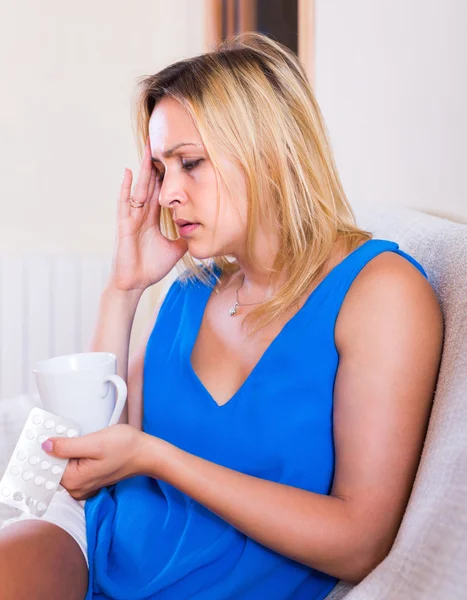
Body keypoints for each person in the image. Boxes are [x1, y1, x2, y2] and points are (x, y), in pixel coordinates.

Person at [0, 32, 444, 600]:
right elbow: (92, 450)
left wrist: (160, 458)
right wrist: (124, 287)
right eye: (162, 170)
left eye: (190, 164)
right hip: (99, 548)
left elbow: (360, 541)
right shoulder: (191, 289)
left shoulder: (380, 293)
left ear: (270, 152)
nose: (166, 196)